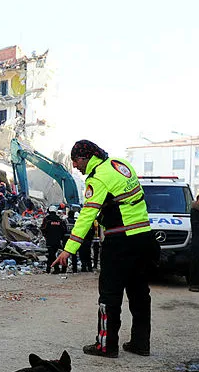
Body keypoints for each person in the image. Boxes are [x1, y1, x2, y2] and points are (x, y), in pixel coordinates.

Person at [52, 140, 159, 358]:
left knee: (109, 296)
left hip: (119, 241)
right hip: (143, 237)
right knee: (140, 294)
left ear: (85, 158)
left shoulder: (98, 178)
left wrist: (68, 250)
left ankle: (106, 345)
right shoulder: (121, 165)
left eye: (75, 161)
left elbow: (86, 216)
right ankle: (141, 344)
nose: (75, 167)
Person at [41, 206, 67, 274]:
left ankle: (55, 268)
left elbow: (43, 228)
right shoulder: (59, 220)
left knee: (51, 255)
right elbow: (64, 230)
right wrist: (60, 237)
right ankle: (52, 269)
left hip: (50, 240)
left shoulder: (47, 219)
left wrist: (46, 236)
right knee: (53, 255)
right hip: (58, 241)